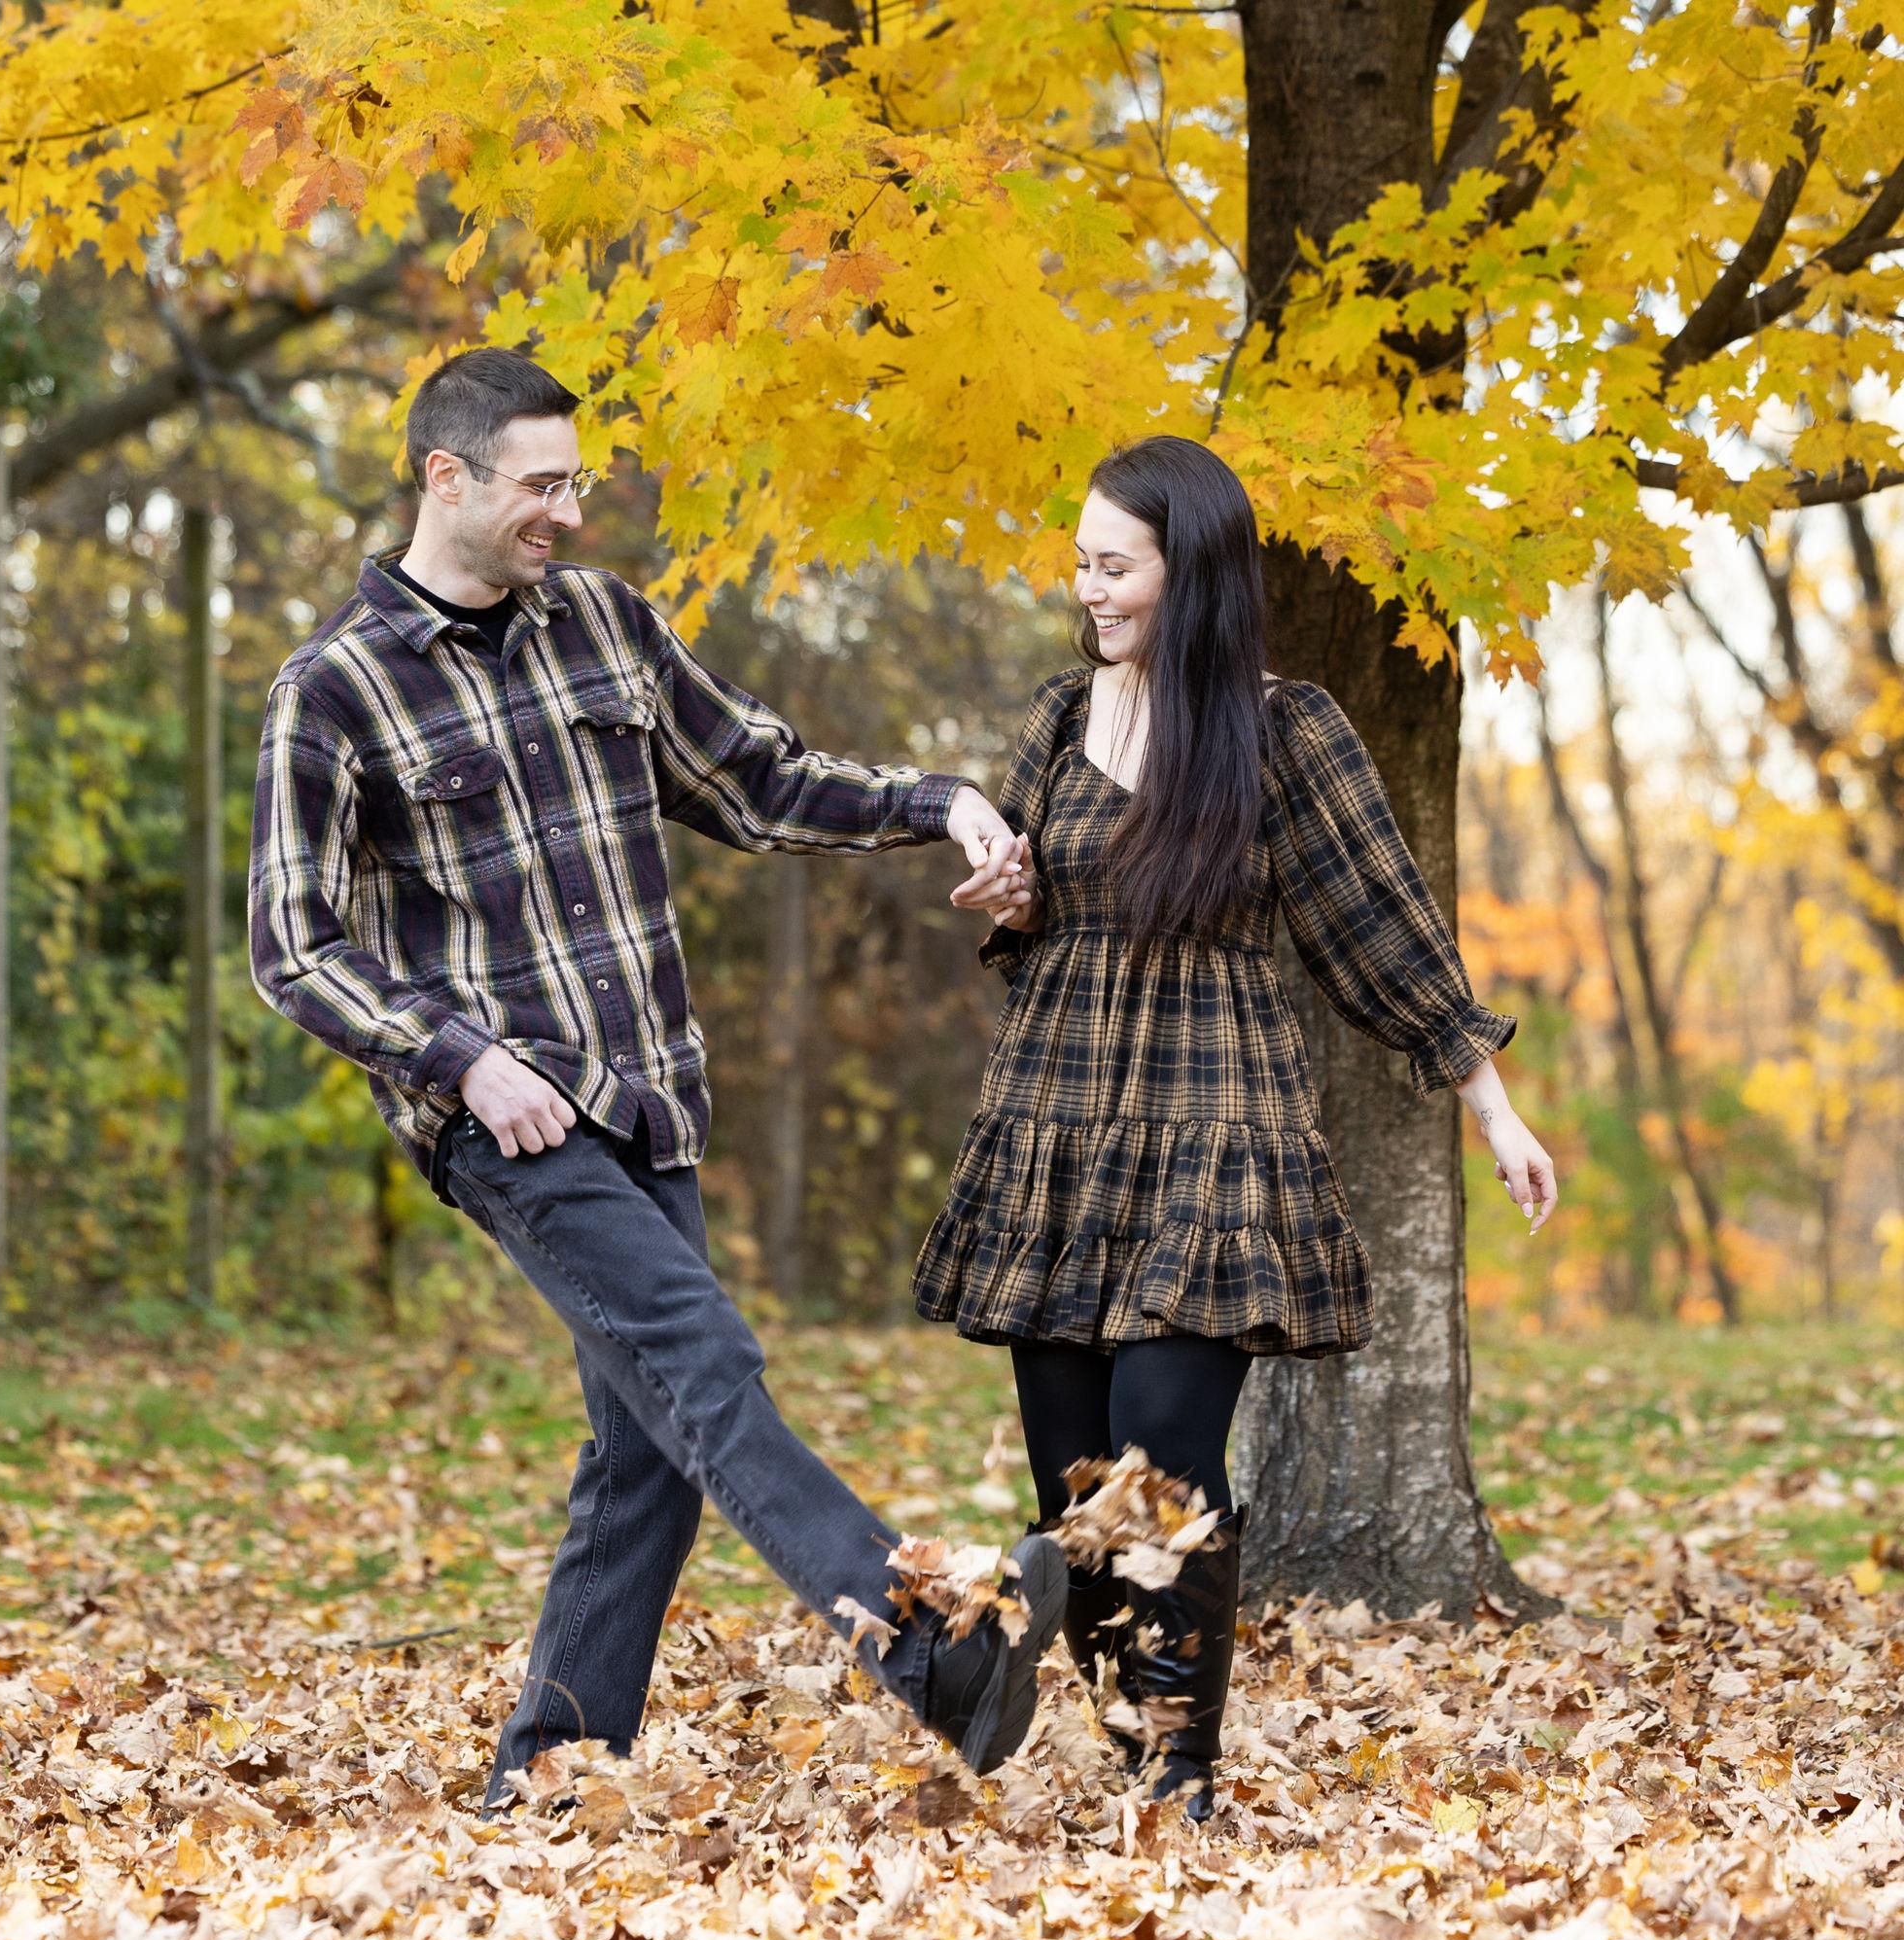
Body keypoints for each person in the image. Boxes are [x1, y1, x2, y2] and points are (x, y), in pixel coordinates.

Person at [247, 346, 1067, 1814]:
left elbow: (761, 781)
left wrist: (943, 801)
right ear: (447, 476)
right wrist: (465, 1062)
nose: (568, 512)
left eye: (577, 482)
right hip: (512, 1117)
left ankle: (548, 1779)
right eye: (541, 486)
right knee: (702, 1359)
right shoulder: (335, 690)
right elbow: (293, 945)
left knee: (647, 1459)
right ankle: (924, 1648)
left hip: (651, 1093)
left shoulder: (606, 626)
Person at [918, 435, 1558, 1819]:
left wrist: (1492, 1104)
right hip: (1060, 1119)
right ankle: (1121, 1726)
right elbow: (1026, 904)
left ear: (1191, 569)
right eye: (1080, 562)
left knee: (1160, 1445)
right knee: (1076, 1483)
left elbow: (1380, 925)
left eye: (1115, 566)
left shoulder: (1286, 731)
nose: (1086, 588)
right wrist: (1012, 899)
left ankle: (1179, 1767)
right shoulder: (1056, 715)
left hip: (1214, 1115)